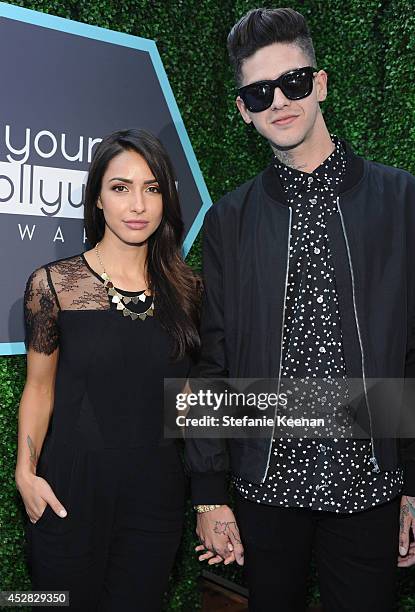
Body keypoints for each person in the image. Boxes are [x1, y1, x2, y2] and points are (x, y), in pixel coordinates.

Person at [185, 8, 415, 612]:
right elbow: (215, 361)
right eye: (260, 92)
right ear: (243, 109)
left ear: (320, 83)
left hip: (370, 481)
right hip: (265, 484)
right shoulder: (228, 221)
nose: (279, 102)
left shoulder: (401, 200)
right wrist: (210, 492)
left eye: (293, 82)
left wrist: (414, 484)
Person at [15, 128, 201, 611]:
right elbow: (39, 389)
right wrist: (25, 471)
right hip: (69, 493)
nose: (137, 204)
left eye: (152, 188)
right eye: (121, 188)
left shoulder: (188, 292)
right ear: (97, 198)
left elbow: (187, 402)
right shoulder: (53, 285)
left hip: (156, 494)